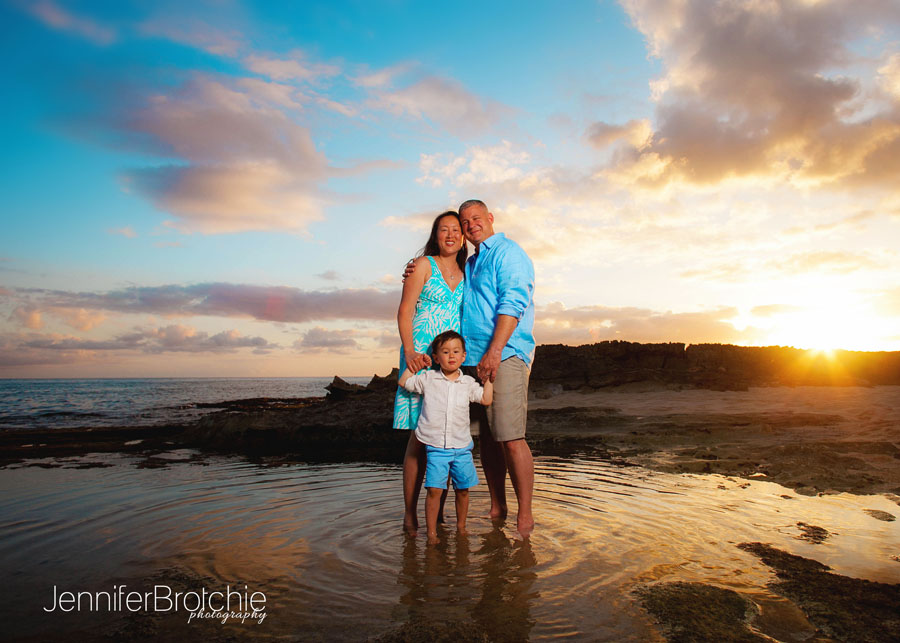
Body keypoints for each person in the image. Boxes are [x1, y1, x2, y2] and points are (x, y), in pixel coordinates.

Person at [457, 199, 536, 537]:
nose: (471, 225)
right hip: (473, 360)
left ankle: (525, 515)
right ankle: (497, 505)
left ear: (490, 218)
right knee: (488, 439)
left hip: (504, 355)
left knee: (511, 437)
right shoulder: (472, 261)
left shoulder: (508, 253)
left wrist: (495, 351)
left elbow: (513, 303)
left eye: (476, 218)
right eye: (465, 222)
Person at [393, 211, 467, 534]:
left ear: (463, 236)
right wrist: (409, 352)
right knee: (418, 438)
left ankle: (437, 514)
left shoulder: (467, 271)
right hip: (421, 356)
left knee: (445, 439)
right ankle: (410, 514)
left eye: (456, 229)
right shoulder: (423, 265)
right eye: (443, 229)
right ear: (435, 235)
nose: (450, 235)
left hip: (449, 359)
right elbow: (405, 311)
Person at [399, 330, 493, 543]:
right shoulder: (428, 379)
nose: (451, 355)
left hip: (462, 448)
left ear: (464, 356)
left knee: (463, 490)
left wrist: (488, 379)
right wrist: (415, 365)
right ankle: (431, 534)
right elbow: (404, 382)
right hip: (436, 448)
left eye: (456, 351)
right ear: (436, 357)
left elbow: (486, 399)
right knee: (434, 490)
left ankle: (461, 528)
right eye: (445, 351)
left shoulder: (468, 382)